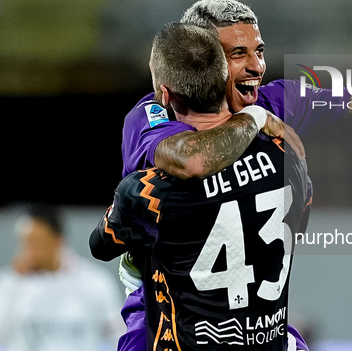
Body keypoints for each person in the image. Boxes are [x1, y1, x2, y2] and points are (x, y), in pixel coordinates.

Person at [116, 0, 352, 350]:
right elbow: (190, 159)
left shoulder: (280, 101)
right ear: (205, 59)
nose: (256, 66)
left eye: (259, 51)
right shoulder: (158, 112)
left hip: (253, 321)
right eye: (239, 54)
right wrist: (254, 121)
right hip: (168, 315)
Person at [90, 22, 310, 350]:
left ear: (165, 94)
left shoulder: (150, 192)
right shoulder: (286, 151)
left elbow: (101, 245)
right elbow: (298, 224)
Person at [0, 204, 123, 351]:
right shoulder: (9, 282)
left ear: (57, 240)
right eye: (26, 242)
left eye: (36, 241)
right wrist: (14, 283)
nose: (30, 249)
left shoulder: (95, 282)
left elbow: (118, 335)